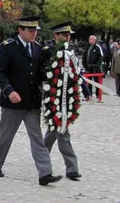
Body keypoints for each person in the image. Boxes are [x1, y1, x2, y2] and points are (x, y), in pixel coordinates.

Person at [0, 16, 62, 186]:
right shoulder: (8, 48)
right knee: (6, 135)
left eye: (35, 30)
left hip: (31, 102)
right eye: (30, 31)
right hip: (13, 103)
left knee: (37, 137)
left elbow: (38, 74)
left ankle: (45, 172)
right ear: (20, 30)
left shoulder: (37, 48)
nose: (34, 34)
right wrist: (9, 91)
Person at [42, 21, 82, 181]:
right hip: (52, 97)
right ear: (56, 36)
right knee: (60, 130)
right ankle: (71, 168)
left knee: (56, 130)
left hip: (67, 97)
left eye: (69, 35)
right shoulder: (48, 51)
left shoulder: (71, 52)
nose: (67, 38)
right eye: (64, 35)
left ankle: (41, 158)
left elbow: (77, 73)